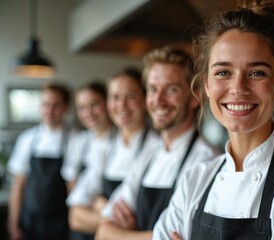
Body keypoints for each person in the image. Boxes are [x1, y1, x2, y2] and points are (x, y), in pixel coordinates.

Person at [152, 1, 274, 239]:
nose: (238, 88)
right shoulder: (195, 180)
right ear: (206, 84)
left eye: (257, 72)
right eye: (223, 72)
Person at [95, 46, 220, 240]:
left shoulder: (208, 161)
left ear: (195, 96)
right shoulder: (148, 154)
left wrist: (126, 233)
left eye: (171, 89)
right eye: (153, 89)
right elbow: (103, 232)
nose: (159, 100)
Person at [66, 68, 159, 239]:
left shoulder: (156, 147)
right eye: (115, 97)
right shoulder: (108, 148)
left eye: (130, 96)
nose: (122, 105)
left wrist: (98, 204)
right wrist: (107, 214)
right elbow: (75, 216)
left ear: (145, 100)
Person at [7, 83, 73, 240]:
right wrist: (12, 224)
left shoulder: (74, 138)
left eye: (55, 105)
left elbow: (73, 187)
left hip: (61, 222)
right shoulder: (27, 139)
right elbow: (18, 185)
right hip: (29, 220)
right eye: (45, 104)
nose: (49, 111)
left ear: (66, 107)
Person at [62, 81, 115, 192]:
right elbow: (71, 185)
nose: (88, 113)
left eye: (94, 104)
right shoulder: (78, 141)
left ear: (107, 103)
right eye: (82, 108)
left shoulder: (122, 140)